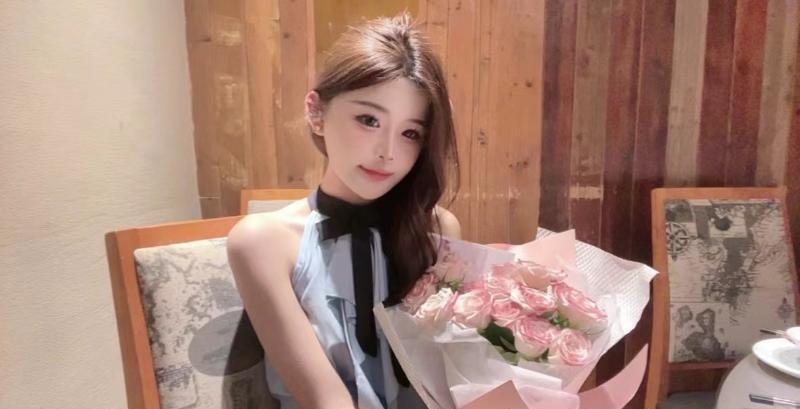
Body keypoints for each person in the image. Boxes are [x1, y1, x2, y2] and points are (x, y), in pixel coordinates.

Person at [226, 14, 461, 409]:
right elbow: (325, 401)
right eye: (369, 120)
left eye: (410, 133)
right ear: (317, 113)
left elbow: (451, 376)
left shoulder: (437, 230)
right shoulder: (263, 242)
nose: (388, 152)